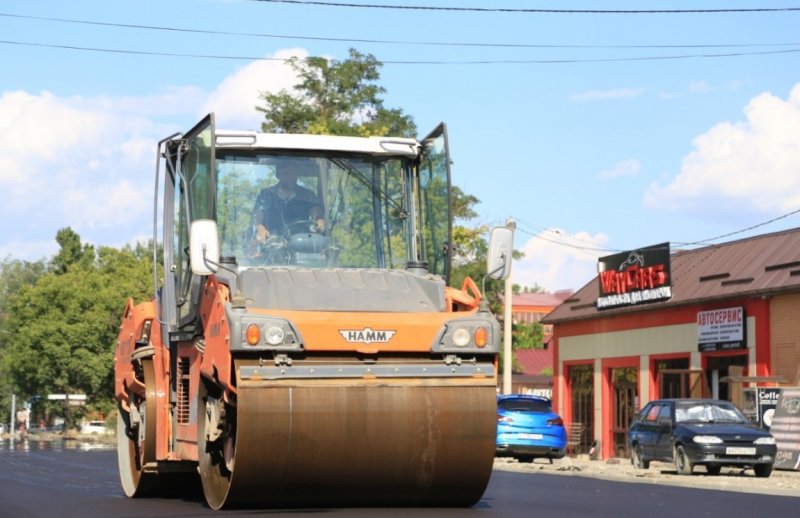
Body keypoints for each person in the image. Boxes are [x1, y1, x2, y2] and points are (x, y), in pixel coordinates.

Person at [252, 161, 325, 242]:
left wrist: (320, 220)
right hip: (273, 242)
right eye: (286, 173)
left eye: (293, 172)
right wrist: (260, 228)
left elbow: (316, 212)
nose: (291, 176)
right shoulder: (266, 195)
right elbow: (258, 216)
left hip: (302, 240)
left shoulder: (307, 194)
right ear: (278, 175)